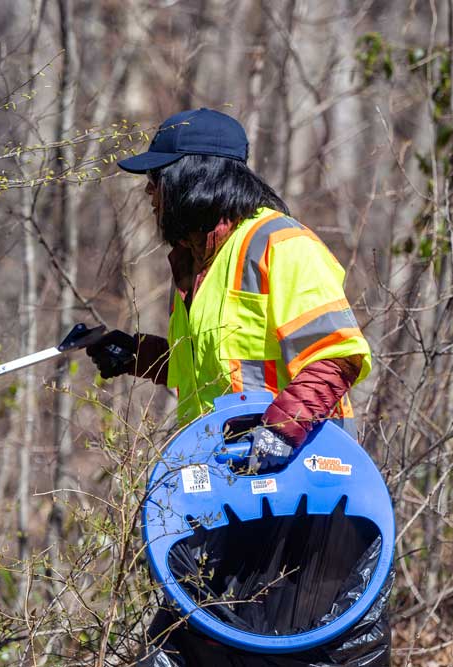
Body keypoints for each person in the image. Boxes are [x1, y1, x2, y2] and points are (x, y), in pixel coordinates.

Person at [85, 109, 391, 666]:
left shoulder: (280, 245)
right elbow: (204, 373)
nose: (149, 193)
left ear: (196, 177)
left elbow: (336, 354)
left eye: (158, 179)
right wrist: (132, 353)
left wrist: (278, 434)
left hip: (297, 503)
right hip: (227, 496)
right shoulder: (200, 268)